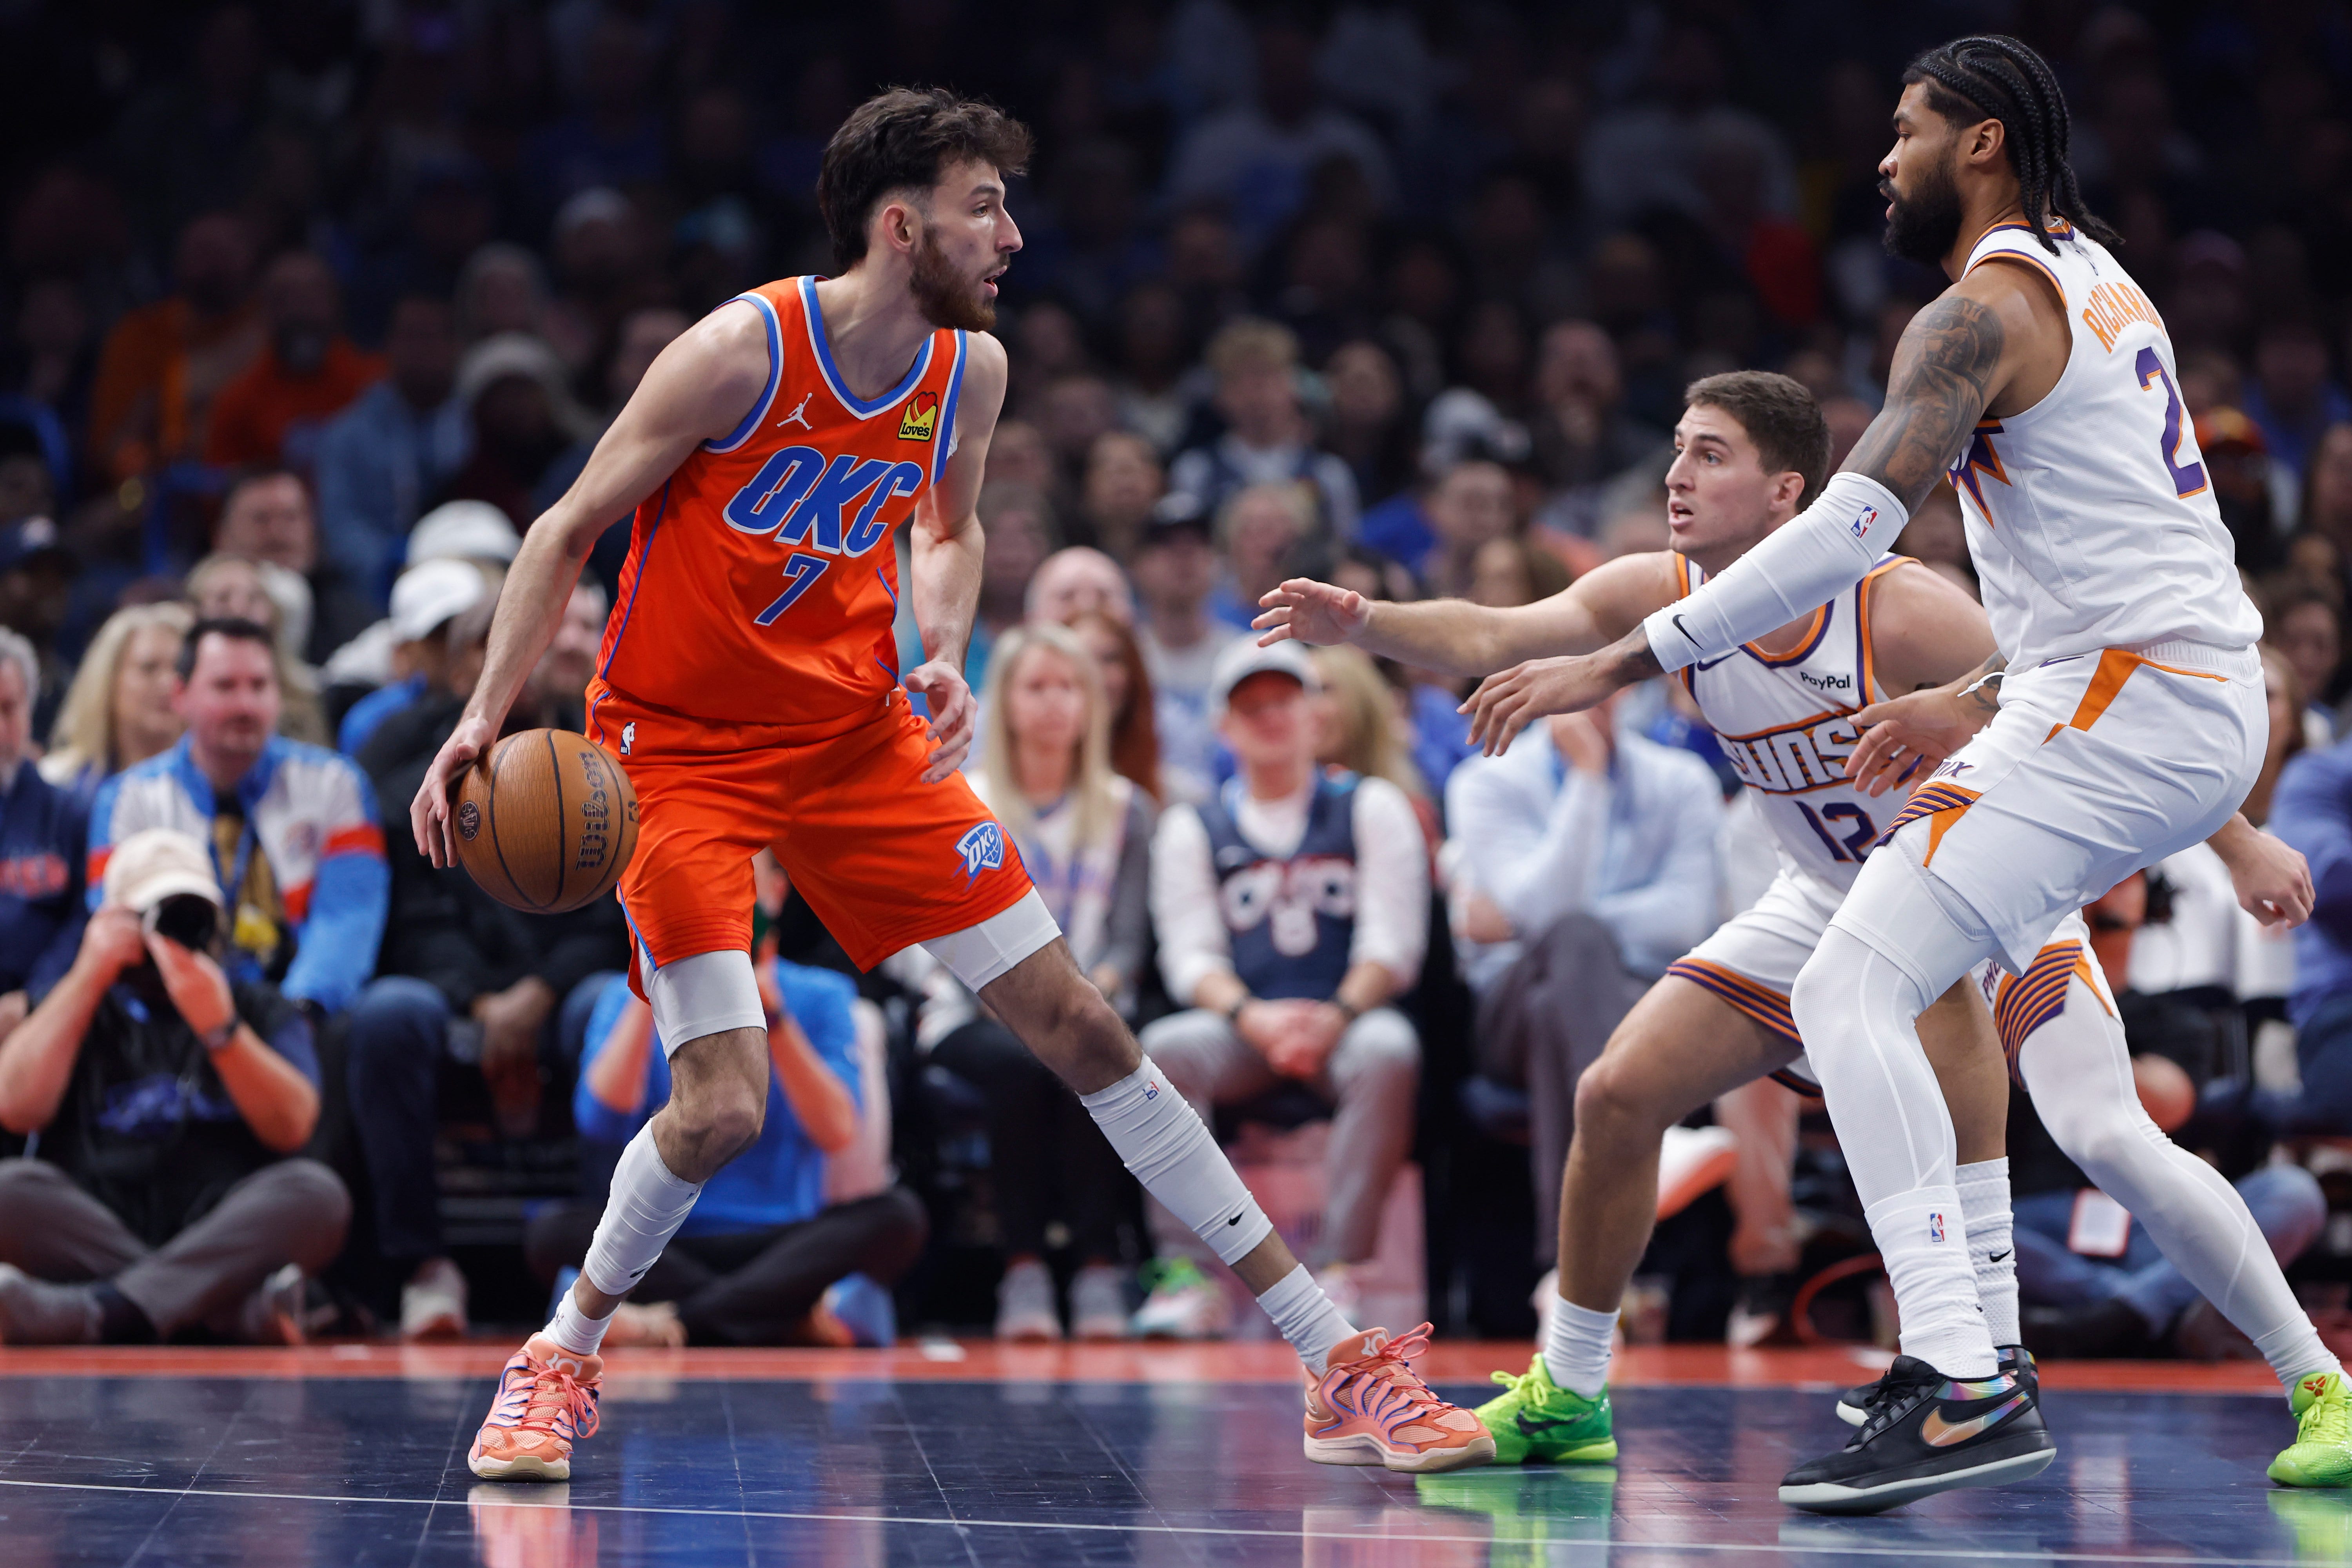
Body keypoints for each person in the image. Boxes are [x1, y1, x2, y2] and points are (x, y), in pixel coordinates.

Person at [1312, 35, 2343, 1502]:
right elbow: (2105, 571)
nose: (1880, 160)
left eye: (1907, 131)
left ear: (1980, 142)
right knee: (1730, 1041)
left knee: (1879, 985)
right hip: (2109, 713)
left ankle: (1968, 1370)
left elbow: (1870, 529)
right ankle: (1680, 1374)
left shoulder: (1973, 319)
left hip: (2120, 709)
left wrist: (1629, 663)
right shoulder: (2090, 274)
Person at [410, 88, 1487, 1483]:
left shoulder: (964, 375)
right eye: (987, 205)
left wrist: (937, 649)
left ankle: (1334, 1356)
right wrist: (485, 717)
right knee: (723, 1104)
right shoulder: (743, 349)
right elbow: (563, 529)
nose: (1014, 236)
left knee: (1083, 1024)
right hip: (675, 753)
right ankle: (557, 1352)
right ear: (901, 222)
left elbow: (951, 526)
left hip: (857, 744)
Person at [347, 593, 626, 1340]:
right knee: (384, 1016)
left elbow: (616, 913)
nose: (514, 662)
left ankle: (603, 1264)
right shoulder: (407, 765)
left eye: (523, 641)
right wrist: (480, 1003)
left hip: (566, 983)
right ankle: (422, 1266)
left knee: (612, 1006)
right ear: (459, 667)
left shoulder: (600, 749)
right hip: (454, 991)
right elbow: (410, 917)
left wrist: (540, 992)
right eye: (486, 647)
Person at [1136, 637, 1427, 1334]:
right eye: (1252, 706)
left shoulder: (1372, 806)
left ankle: (1340, 1274)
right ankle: (1186, 1277)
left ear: (1314, 715)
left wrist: (1335, 1016)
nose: (1270, 717)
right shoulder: (1193, 825)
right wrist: (1255, 1019)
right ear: (1224, 727)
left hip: (1347, 1022)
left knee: (1390, 1050)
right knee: (1161, 1051)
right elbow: (1189, 958)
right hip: (1244, 1028)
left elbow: (1396, 943)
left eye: (1285, 701)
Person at [0, 828, 348, 1344]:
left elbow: (294, 1126)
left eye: (191, 916)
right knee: (7, 1188)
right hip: (102, 1226)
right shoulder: (72, 998)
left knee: (318, 1195)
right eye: (156, 918)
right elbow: (16, 1107)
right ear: (116, 922)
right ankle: (222, 1312)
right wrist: (88, 976)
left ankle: (98, 1313)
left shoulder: (253, 1006)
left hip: (224, 1226)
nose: (173, 937)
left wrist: (220, 1029)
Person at [917, 622, 1155, 1340]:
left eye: (1068, 687)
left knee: (1088, 1052)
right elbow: (933, 931)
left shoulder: (1125, 809)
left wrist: (1091, 992)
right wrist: (1015, 1005)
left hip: (1083, 1008)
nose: (1053, 703)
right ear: (1004, 703)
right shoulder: (962, 795)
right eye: (1036, 686)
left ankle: (1095, 1267)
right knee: (1028, 1067)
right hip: (966, 1010)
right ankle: (1022, 1265)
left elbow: (1127, 939)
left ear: (1091, 705)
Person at [528, 962, 927, 1347]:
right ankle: (775, 1317)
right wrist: (649, 989)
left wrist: (776, 1016)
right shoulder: (624, 994)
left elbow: (839, 1133)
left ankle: (679, 1322)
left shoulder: (821, 992)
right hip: (663, 1240)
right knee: (552, 1231)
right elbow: (598, 1121)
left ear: (780, 892)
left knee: (900, 1216)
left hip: (785, 1245)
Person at [89, 618, 388, 1020]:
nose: (246, 705)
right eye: (225, 686)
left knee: (393, 1009)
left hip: (307, 1011)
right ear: (180, 695)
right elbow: (118, 930)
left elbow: (348, 917)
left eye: (260, 685)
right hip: (176, 1012)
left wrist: (293, 1014)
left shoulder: (337, 784)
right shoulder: (128, 799)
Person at [311, 294, 471, 600]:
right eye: (411, 336)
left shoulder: (479, 424)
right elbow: (340, 523)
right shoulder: (347, 435)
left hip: (471, 572)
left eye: (433, 337)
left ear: (456, 346)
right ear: (389, 344)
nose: (422, 349)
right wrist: (392, 567)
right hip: (374, 587)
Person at [1167, 319, 1359, 535]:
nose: (1257, 396)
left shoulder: (1329, 475)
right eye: (1240, 381)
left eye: (1268, 377)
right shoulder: (1196, 472)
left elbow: (1347, 552)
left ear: (1293, 386)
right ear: (1220, 396)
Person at [204, 251, 385, 471]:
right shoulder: (237, 402)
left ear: (335, 304)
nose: (300, 311)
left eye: (312, 298)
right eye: (284, 299)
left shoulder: (375, 385)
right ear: (263, 311)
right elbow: (218, 489)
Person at [0, 628, 85, 1029]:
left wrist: (35, 1001)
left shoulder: (68, 813)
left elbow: (88, 919)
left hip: (43, 1024)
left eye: (8, 709)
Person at [211, 468, 375, 665]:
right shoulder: (195, 621)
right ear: (222, 537)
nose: (277, 532)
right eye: (261, 519)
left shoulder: (358, 627)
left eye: (291, 517)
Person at [1132, 508, 1241, 804]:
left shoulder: (1243, 656)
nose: (1184, 557)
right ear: (1139, 566)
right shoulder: (1123, 660)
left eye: (1197, 546)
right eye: (1167, 547)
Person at [39, 602, 191, 806]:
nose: (169, 683)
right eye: (149, 668)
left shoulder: (221, 788)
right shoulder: (54, 784)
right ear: (108, 680)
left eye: (180, 668)